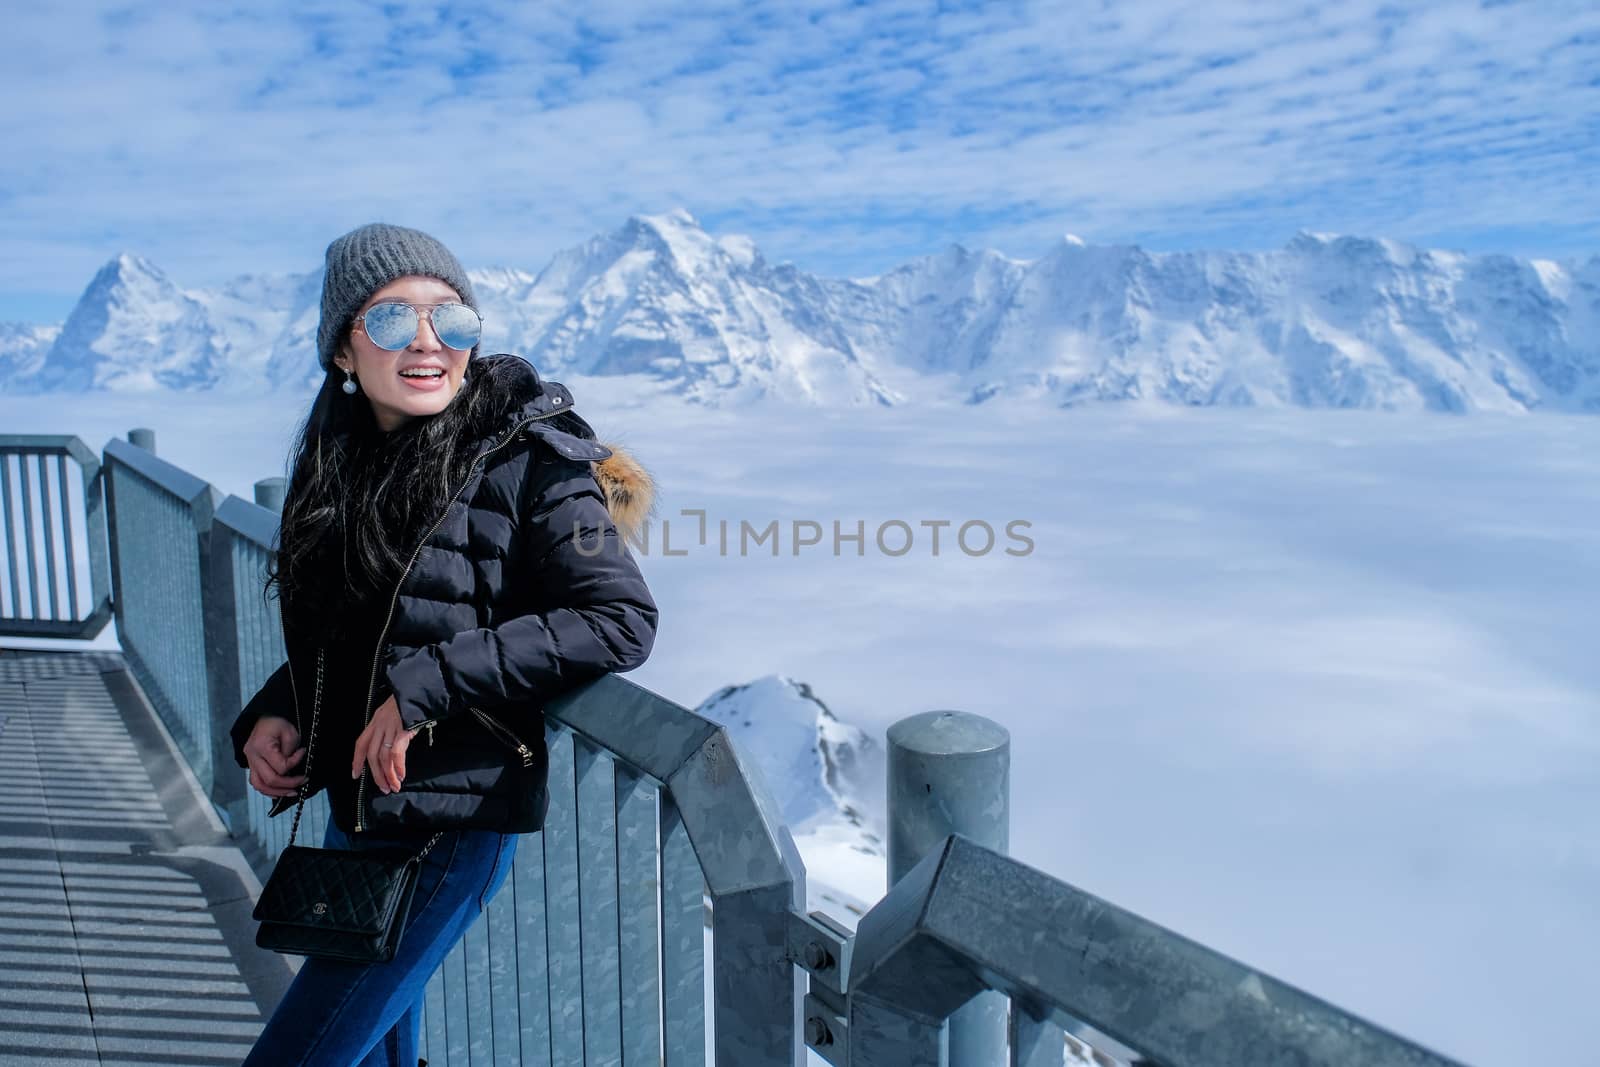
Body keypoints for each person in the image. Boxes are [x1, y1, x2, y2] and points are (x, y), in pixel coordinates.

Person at [229, 222, 658, 1066]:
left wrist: (424, 687)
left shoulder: (531, 457)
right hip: (361, 805)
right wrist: (276, 709)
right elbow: (369, 623)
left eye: (451, 319)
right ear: (344, 352)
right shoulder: (348, 459)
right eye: (394, 320)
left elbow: (621, 619)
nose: (429, 342)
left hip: (450, 820)